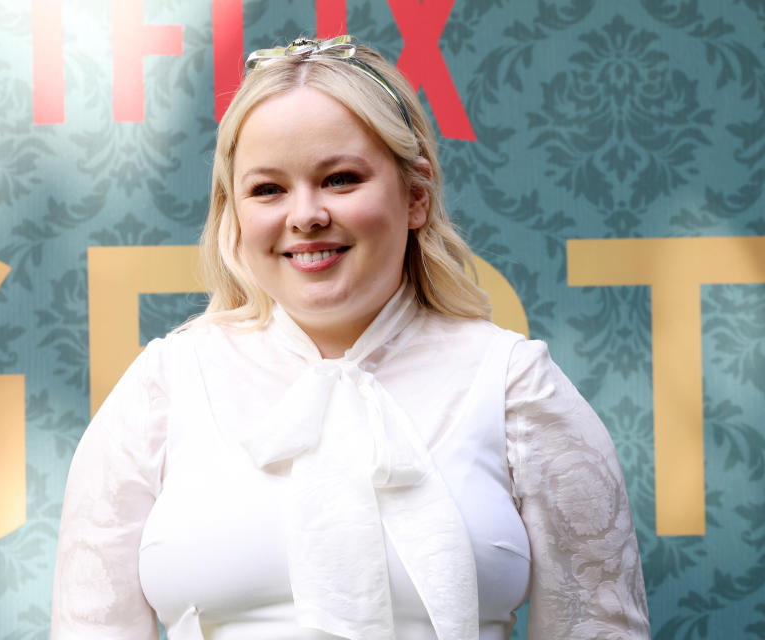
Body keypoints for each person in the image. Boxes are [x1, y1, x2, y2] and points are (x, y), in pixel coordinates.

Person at [51, 35, 650, 640]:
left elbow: (601, 628)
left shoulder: (515, 385)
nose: (305, 215)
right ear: (234, 212)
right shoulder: (165, 385)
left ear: (415, 196)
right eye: (268, 189)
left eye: (339, 179)